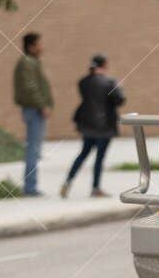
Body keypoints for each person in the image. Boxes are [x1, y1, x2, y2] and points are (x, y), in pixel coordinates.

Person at [62, 54, 126, 198]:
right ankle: (95, 188)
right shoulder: (109, 82)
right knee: (99, 157)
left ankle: (68, 182)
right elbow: (120, 100)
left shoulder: (83, 82)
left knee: (83, 153)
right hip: (105, 126)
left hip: (87, 124)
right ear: (104, 65)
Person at [12, 32, 52, 198]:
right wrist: (42, 105)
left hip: (35, 109)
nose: (42, 47)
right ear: (31, 46)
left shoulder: (32, 62)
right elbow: (30, 87)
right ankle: (30, 187)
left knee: (35, 149)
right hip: (33, 110)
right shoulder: (27, 63)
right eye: (39, 44)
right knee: (33, 149)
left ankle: (31, 186)